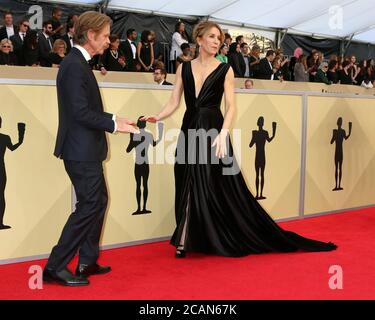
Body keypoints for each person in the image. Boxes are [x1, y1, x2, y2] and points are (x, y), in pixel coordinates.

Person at [142, 21, 337, 258]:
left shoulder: (226, 70)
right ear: (199, 38)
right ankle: (187, 234)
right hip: (189, 127)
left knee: (213, 182)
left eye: (219, 39)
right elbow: (174, 101)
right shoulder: (183, 68)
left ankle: (199, 236)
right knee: (186, 178)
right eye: (212, 37)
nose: (216, 42)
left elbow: (231, 106)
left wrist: (223, 134)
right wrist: (158, 116)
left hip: (214, 130)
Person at [43, 11, 140, 287]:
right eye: (106, 36)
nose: (109, 42)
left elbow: (86, 110)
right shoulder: (74, 65)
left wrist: (115, 120)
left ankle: (86, 260)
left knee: (97, 202)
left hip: (85, 149)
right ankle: (55, 265)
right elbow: (80, 113)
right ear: (90, 36)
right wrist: (113, 124)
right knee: (90, 205)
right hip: (80, 150)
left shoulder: (78, 64)